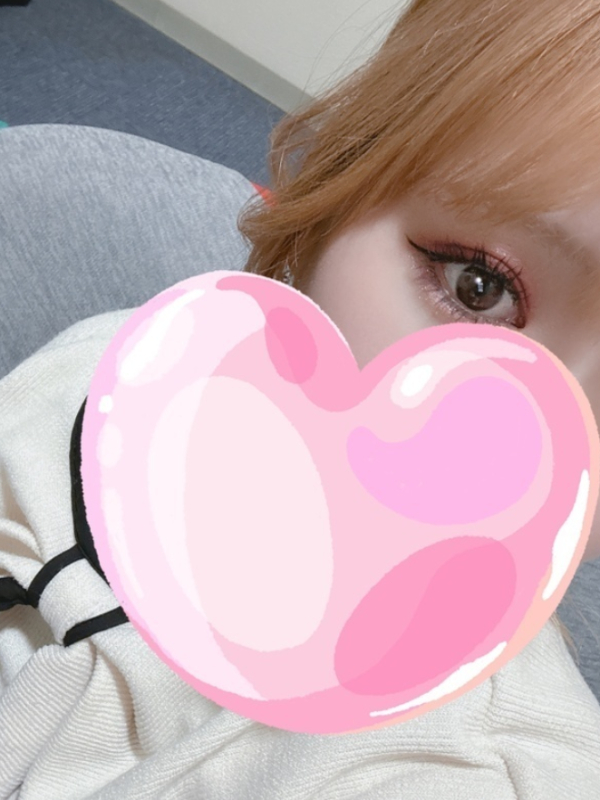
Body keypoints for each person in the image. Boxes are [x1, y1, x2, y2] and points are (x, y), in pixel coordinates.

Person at [1, 0, 600, 797]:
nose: (532, 446)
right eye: (478, 285)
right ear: (339, 189)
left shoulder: (480, 773)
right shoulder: (108, 372)